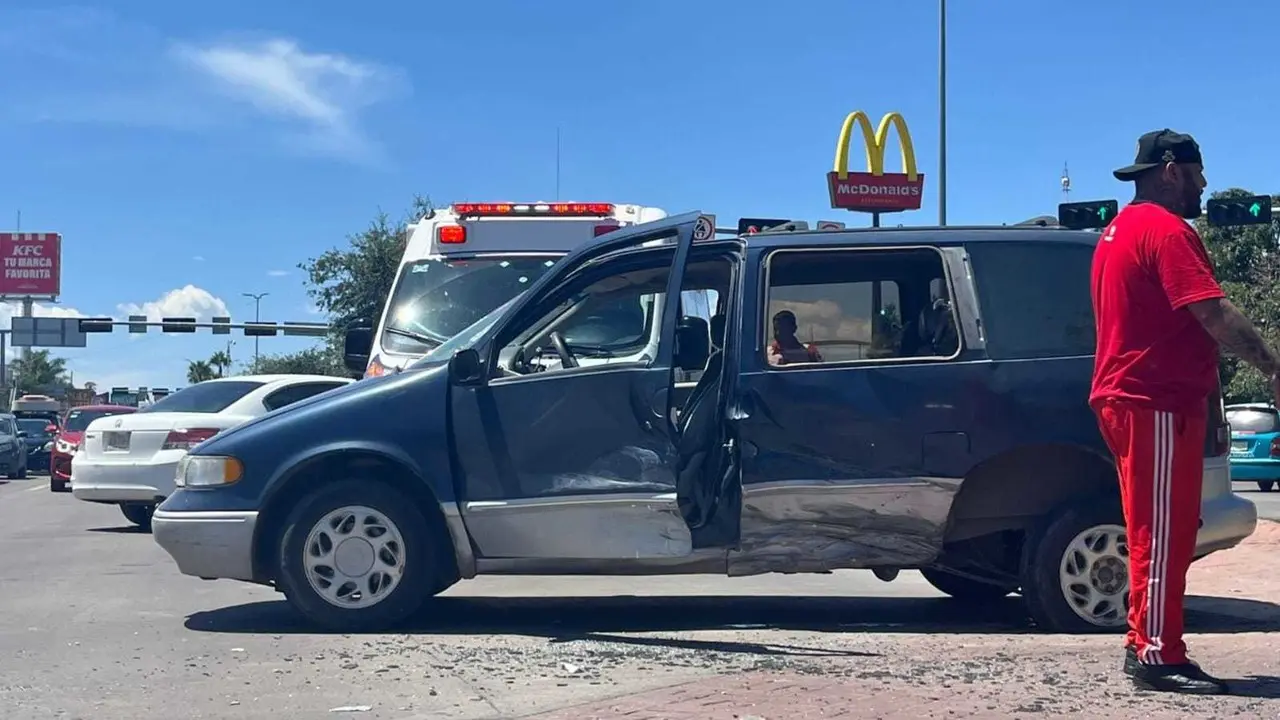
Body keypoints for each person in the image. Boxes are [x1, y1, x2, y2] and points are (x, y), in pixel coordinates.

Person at [1091, 128, 1280, 695]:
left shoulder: (1119, 231)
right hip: (1154, 399)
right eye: (1198, 174)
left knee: (1162, 529)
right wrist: (1272, 366)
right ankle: (1155, 653)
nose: (1203, 186)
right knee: (1161, 532)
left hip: (1137, 398)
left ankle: (1149, 642)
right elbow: (1212, 313)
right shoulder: (1166, 231)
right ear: (1171, 170)